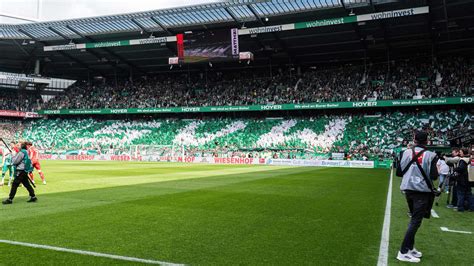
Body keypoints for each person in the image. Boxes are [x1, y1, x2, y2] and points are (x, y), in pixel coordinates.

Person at [396, 131, 438, 263]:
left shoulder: (404, 152)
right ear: (427, 141)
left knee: (415, 219)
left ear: (414, 139)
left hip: (408, 189)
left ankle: (409, 248)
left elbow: (398, 172)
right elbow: (434, 176)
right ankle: (403, 252)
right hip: (422, 191)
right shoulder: (432, 155)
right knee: (415, 221)